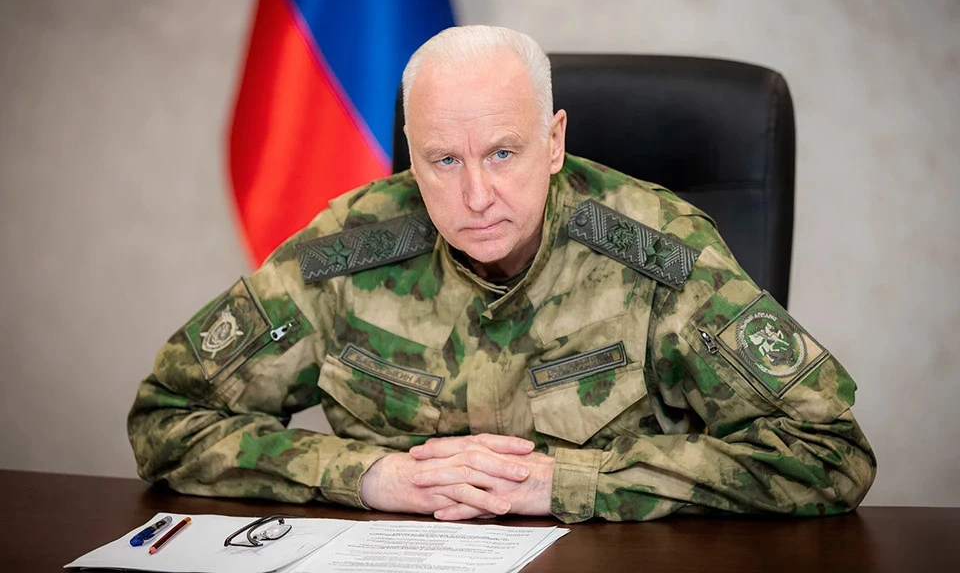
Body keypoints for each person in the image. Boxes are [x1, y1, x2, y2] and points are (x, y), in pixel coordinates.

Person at [128, 25, 876, 523]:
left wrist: (564, 482)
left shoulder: (658, 253)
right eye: (443, 161)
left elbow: (826, 454)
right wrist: (370, 475)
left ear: (554, 141)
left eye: (503, 153)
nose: (476, 195)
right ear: (411, 154)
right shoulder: (347, 250)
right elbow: (167, 419)